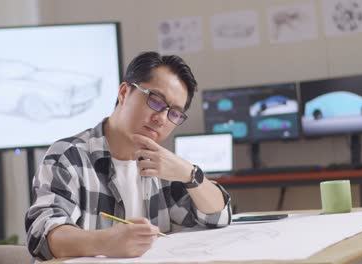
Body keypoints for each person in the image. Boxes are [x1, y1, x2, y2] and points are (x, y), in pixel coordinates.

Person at [25, 51, 232, 260]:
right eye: (156, 101)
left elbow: (218, 216)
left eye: (174, 113)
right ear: (124, 93)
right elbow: (43, 235)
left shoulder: (161, 165)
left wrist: (190, 174)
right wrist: (106, 242)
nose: (161, 118)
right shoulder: (68, 157)